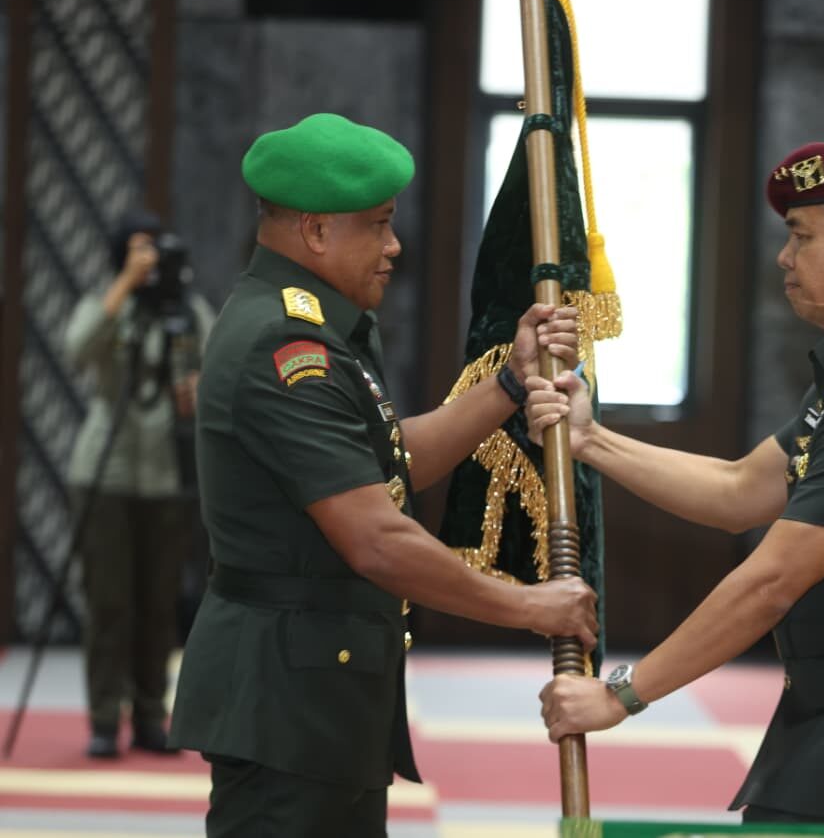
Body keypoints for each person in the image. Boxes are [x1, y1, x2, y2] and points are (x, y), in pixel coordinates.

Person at [533, 133, 824, 837]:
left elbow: (772, 579)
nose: (784, 257)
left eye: (801, 235)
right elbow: (739, 491)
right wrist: (590, 440)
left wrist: (620, 695)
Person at [167, 113, 598, 837]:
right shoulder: (285, 348)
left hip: (315, 698)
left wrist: (510, 387)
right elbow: (376, 538)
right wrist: (530, 605)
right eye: (379, 225)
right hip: (289, 707)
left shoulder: (310, 327)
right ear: (315, 232)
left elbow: (390, 462)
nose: (394, 247)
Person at [64, 210, 217, 759]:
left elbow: (224, 371)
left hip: (169, 474)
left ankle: (152, 713)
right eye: (138, 251)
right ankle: (105, 718)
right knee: (108, 603)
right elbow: (78, 348)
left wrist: (204, 386)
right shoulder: (110, 301)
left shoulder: (189, 310)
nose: (151, 261)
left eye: (156, 251)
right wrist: (126, 284)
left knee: (158, 603)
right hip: (105, 473)